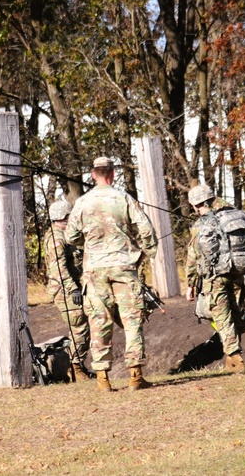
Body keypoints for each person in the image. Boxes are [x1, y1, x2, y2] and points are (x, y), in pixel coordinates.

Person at [66, 156, 159, 392]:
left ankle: (102, 379)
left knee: (99, 320)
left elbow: (71, 236)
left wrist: (89, 245)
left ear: (93, 174)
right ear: (113, 173)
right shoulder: (123, 198)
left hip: (95, 270)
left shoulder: (82, 202)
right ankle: (135, 376)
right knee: (131, 320)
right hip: (124, 266)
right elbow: (145, 228)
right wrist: (146, 252)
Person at [185, 183, 245, 372]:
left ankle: (235, 358)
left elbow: (193, 256)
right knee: (236, 313)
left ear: (195, 205)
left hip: (216, 276)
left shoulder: (201, 224)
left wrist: (190, 284)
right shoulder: (237, 215)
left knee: (222, 316)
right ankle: (231, 357)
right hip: (241, 271)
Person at [41, 199, 91, 382]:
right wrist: (73, 289)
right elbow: (58, 270)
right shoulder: (56, 239)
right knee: (79, 326)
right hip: (64, 290)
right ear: (62, 218)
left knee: (83, 326)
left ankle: (77, 366)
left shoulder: (66, 235)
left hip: (72, 287)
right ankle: (74, 368)